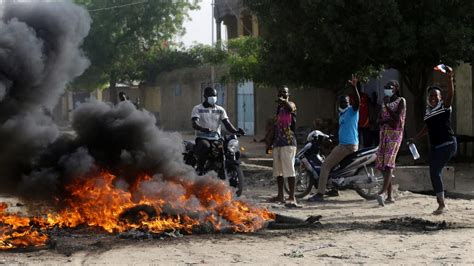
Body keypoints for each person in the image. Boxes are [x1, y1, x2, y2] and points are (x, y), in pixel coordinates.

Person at [409, 69, 456, 215]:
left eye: (435, 95)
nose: (432, 98)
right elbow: (427, 128)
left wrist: (449, 79)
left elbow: (451, 95)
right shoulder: (428, 111)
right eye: (430, 96)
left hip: (448, 144)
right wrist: (415, 138)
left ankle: (442, 205)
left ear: (440, 97)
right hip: (436, 147)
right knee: (434, 171)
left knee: (435, 171)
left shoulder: (444, 107)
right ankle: (441, 202)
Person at [308, 74, 360, 202]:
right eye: (341, 101)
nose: (343, 103)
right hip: (344, 143)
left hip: (347, 145)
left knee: (325, 165)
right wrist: (333, 137)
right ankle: (334, 189)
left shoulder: (352, 111)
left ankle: (320, 193)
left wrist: (354, 87)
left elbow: (358, 101)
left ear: (349, 103)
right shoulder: (342, 114)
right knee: (334, 165)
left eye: (345, 102)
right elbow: (343, 129)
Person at [191, 87, 245, 174]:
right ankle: (200, 170)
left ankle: (224, 168)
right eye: (210, 95)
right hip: (202, 137)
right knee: (205, 146)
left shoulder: (220, 109)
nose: (213, 97)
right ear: (205, 96)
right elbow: (194, 123)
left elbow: (227, 123)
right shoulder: (197, 108)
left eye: (214, 95)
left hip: (216, 138)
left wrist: (236, 131)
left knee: (230, 149)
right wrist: (203, 129)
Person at [375, 80, 406, 206]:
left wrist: (387, 108)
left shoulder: (401, 101)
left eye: (390, 87)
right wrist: (384, 119)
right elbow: (378, 119)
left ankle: (382, 192)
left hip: (395, 135)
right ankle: (390, 196)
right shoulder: (383, 102)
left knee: (388, 164)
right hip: (384, 135)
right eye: (386, 87)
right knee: (382, 164)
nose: (387, 89)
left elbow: (396, 121)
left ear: (396, 89)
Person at [269, 86, 298, 206]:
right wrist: (270, 143)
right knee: (278, 171)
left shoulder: (291, 105)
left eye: (284, 93)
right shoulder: (278, 108)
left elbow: (290, 108)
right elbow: (275, 126)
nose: (282, 94)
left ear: (288, 94)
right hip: (278, 142)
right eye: (280, 93)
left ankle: (292, 196)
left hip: (288, 143)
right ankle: (280, 195)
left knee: (289, 170)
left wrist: (284, 101)